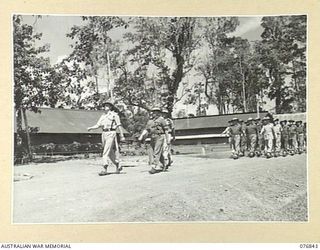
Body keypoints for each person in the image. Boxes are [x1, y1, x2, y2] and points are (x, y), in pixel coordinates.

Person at [87, 101, 125, 176]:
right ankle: (118, 165)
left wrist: (122, 135)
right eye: (104, 106)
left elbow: (119, 125)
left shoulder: (114, 115)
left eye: (107, 105)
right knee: (110, 153)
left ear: (111, 107)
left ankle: (104, 168)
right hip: (104, 133)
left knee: (105, 152)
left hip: (111, 133)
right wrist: (91, 128)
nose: (105, 107)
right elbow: (98, 125)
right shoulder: (103, 116)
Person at [138, 107, 170, 174]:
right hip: (153, 137)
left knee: (156, 151)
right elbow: (147, 130)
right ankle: (164, 164)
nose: (153, 113)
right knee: (156, 152)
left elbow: (166, 130)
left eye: (155, 112)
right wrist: (141, 136)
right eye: (153, 111)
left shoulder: (161, 120)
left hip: (160, 136)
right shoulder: (150, 121)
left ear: (158, 113)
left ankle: (154, 167)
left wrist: (168, 139)